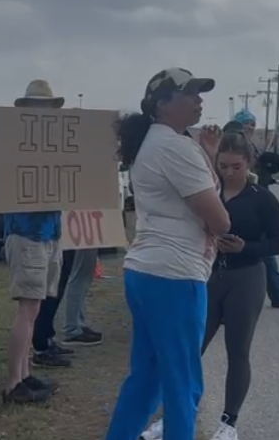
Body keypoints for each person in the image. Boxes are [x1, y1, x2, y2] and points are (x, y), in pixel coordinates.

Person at [105, 68, 229, 440]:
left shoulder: (155, 143)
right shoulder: (175, 147)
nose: (199, 100)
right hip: (175, 275)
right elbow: (220, 219)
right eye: (189, 94)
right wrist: (203, 156)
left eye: (199, 93)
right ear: (162, 104)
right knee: (182, 384)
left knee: (148, 376)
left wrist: (206, 154)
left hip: (146, 270)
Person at [205, 131, 279, 440]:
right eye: (223, 166)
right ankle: (174, 413)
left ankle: (228, 423)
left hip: (247, 276)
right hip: (210, 275)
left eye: (236, 166)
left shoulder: (262, 198)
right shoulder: (208, 191)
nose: (229, 172)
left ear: (248, 163)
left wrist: (245, 247)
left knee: (237, 351)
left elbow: (277, 243)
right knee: (190, 348)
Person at [3, 79, 65, 404]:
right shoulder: (15, 143)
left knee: (35, 306)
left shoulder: (54, 145)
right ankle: (14, 382)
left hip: (49, 231)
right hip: (27, 232)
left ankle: (25, 374)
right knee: (28, 308)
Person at [226, 109, 279, 309]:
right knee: (262, 253)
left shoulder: (252, 147)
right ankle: (278, 294)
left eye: (252, 123)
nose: (250, 127)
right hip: (244, 204)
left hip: (259, 201)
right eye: (246, 123)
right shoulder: (235, 145)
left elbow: (261, 171)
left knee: (265, 253)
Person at [62, 248, 103, 346]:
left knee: (83, 278)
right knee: (79, 277)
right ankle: (72, 328)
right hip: (82, 242)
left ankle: (78, 323)